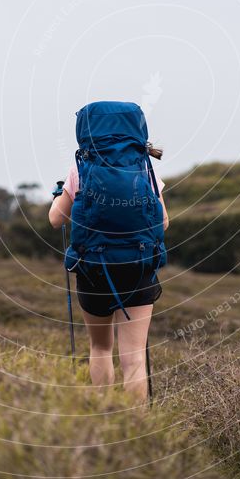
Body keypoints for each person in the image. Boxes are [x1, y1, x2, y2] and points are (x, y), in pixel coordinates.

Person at [49, 144, 169, 402]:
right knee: (135, 356)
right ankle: (136, 427)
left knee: (100, 347)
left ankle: (105, 417)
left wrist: (59, 197)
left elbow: (55, 220)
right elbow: (164, 222)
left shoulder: (79, 170)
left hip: (94, 270)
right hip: (139, 267)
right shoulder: (144, 169)